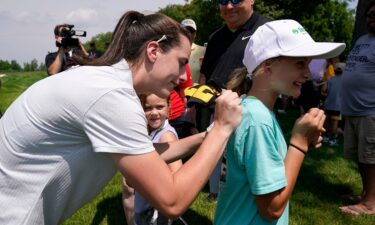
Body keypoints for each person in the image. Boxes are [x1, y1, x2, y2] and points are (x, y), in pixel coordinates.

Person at [0, 11, 242, 225]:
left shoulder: (104, 81)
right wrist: (221, 129)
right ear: (153, 51)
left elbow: (145, 152)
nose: (182, 77)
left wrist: (207, 134)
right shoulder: (112, 97)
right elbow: (172, 201)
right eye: (180, 63)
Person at [213, 19, 345, 225]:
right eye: (300, 63)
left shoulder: (250, 109)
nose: (308, 73)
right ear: (268, 65)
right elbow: (272, 207)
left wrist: (302, 140)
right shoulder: (258, 121)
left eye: (308, 64)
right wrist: (298, 143)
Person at [199, 0, 268, 201]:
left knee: (249, 167)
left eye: (236, 0)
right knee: (215, 155)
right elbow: (205, 75)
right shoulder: (215, 37)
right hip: (217, 111)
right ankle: (216, 193)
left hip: (251, 114)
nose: (229, 6)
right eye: (223, 1)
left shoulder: (265, 31)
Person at [339, 0, 375, 216]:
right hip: (353, 109)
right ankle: (365, 194)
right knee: (361, 156)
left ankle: (370, 204)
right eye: (370, 14)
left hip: (371, 110)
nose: (372, 17)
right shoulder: (363, 39)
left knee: (371, 157)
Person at [133, 93, 182, 225]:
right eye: (148, 108)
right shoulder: (153, 132)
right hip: (145, 206)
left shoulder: (166, 137)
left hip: (155, 211)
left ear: (169, 107)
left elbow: (177, 177)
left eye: (159, 107)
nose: (154, 113)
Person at [322, 62, 345, 146]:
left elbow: (324, 90)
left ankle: (325, 137)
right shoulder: (345, 81)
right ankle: (332, 139)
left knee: (326, 120)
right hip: (338, 105)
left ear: (334, 70)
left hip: (328, 103)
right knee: (335, 122)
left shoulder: (329, 79)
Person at [181, 18, 206, 84]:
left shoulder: (203, 51)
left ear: (195, 34)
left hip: (194, 92)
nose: (188, 33)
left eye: (191, 31)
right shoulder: (172, 51)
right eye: (185, 31)